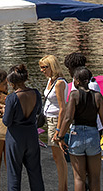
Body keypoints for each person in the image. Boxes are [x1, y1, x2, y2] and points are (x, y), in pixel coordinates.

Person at [57, 68, 103, 191]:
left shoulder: (74, 95)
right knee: (95, 178)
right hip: (93, 135)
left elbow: (68, 118)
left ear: (76, 81)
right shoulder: (97, 96)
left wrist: (60, 136)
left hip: (77, 135)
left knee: (79, 178)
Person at [2, 64, 44, 191]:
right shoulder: (36, 93)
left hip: (15, 137)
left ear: (10, 82)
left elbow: (7, 121)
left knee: (14, 174)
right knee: (35, 173)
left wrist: (4, 111)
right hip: (31, 134)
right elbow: (38, 112)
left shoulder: (12, 98)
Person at [39, 55, 70, 191]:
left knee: (58, 157)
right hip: (50, 118)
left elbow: (62, 107)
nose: (42, 70)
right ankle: (62, 186)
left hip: (56, 120)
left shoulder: (59, 83)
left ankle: (62, 187)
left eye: (44, 67)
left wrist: (58, 130)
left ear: (52, 67)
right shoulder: (51, 81)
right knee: (57, 156)